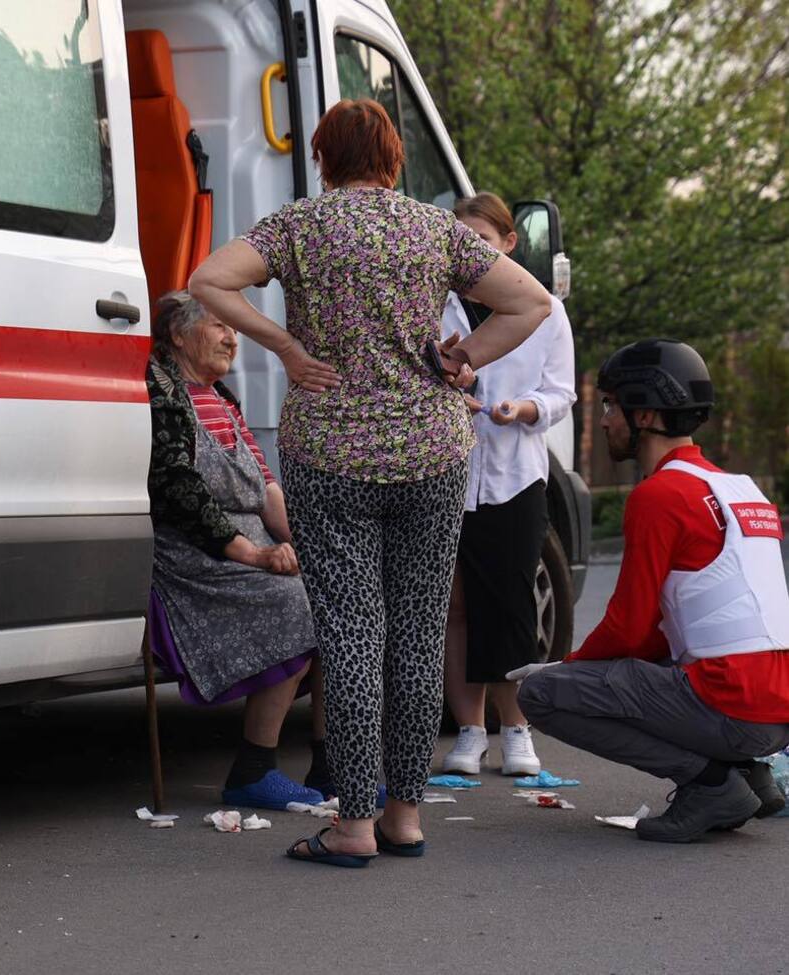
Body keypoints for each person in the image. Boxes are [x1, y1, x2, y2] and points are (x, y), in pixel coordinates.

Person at [189, 98, 550, 867]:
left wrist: (285, 346)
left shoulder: (299, 227)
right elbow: (533, 302)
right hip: (432, 451)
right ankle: (405, 814)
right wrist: (467, 359)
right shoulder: (435, 229)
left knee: (352, 634)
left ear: (323, 157)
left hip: (331, 455)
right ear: (393, 158)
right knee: (419, 633)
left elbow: (209, 280)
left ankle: (351, 825)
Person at [515, 339, 789, 842]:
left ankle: (711, 784)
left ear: (643, 415)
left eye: (611, 406)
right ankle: (750, 774)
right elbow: (690, 618)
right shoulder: (743, 490)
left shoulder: (661, 495)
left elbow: (631, 628)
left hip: (731, 705)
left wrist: (564, 665)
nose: (603, 420)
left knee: (542, 694)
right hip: (775, 707)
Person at [146, 289, 331, 810]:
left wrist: (303, 544)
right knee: (299, 606)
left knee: (337, 594)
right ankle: (253, 769)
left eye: (235, 328)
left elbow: (267, 484)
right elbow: (178, 490)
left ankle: (333, 765)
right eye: (220, 325)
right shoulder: (162, 393)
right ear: (180, 335)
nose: (233, 337)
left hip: (252, 543)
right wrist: (253, 554)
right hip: (196, 555)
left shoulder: (223, 397)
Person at [439, 193, 576, 776]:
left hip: (515, 475)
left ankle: (517, 730)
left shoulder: (544, 307)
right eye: (462, 246)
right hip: (446, 473)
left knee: (512, 603)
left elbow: (562, 391)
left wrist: (524, 409)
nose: (473, 259)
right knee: (455, 608)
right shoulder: (431, 304)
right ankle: (469, 733)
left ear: (509, 245)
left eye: (484, 246)